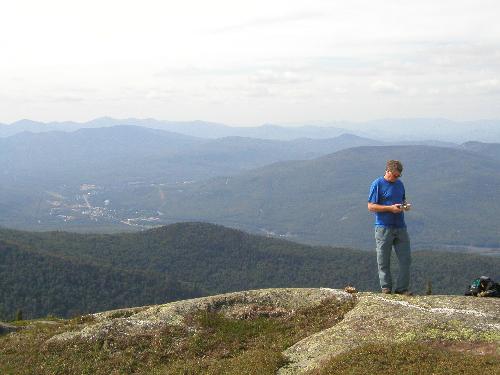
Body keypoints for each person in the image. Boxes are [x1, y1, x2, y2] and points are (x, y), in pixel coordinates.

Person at [367, 160, 412, 295]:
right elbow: (370, 206)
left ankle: (401, 289)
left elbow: (402, 200)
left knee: (406, 260)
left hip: (400, 227)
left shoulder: (400, 184)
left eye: (399, 176)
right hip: (383, 228)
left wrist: (405, 206)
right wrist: (389, 208)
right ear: (387, 171)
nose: (396, 178)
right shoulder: (377, 184)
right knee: (383, 260)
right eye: (395, 175)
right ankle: (386, 288)